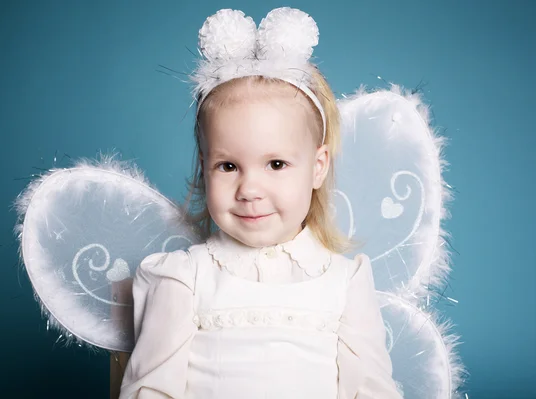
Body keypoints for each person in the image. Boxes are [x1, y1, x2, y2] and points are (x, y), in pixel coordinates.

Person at [119, 7, 402, 399]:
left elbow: (372, 390)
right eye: (228, 165)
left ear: (317, 168)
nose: (249, 189)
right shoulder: (185, 278)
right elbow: (149, 390)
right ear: (205, 170)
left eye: (276, 164)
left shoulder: (344, 281)